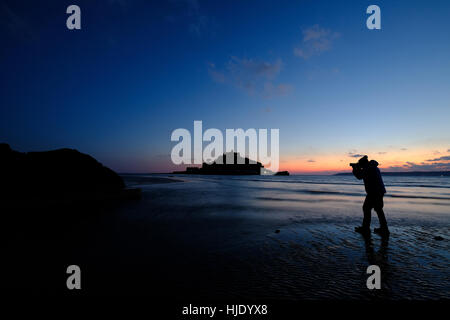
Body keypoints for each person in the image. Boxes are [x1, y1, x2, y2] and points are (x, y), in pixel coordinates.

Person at [351, 155, 390, 236]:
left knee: (367, 208)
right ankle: (383, 229)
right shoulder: (372, 167)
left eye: (360, 164)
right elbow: (362, 175)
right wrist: (357, 168)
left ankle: (366, 228)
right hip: (378, 191)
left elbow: (359, 176)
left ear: (363, 164)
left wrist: (355, 169)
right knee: (378, 209)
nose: (360, 165)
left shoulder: (369, 168)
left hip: (374, 192)